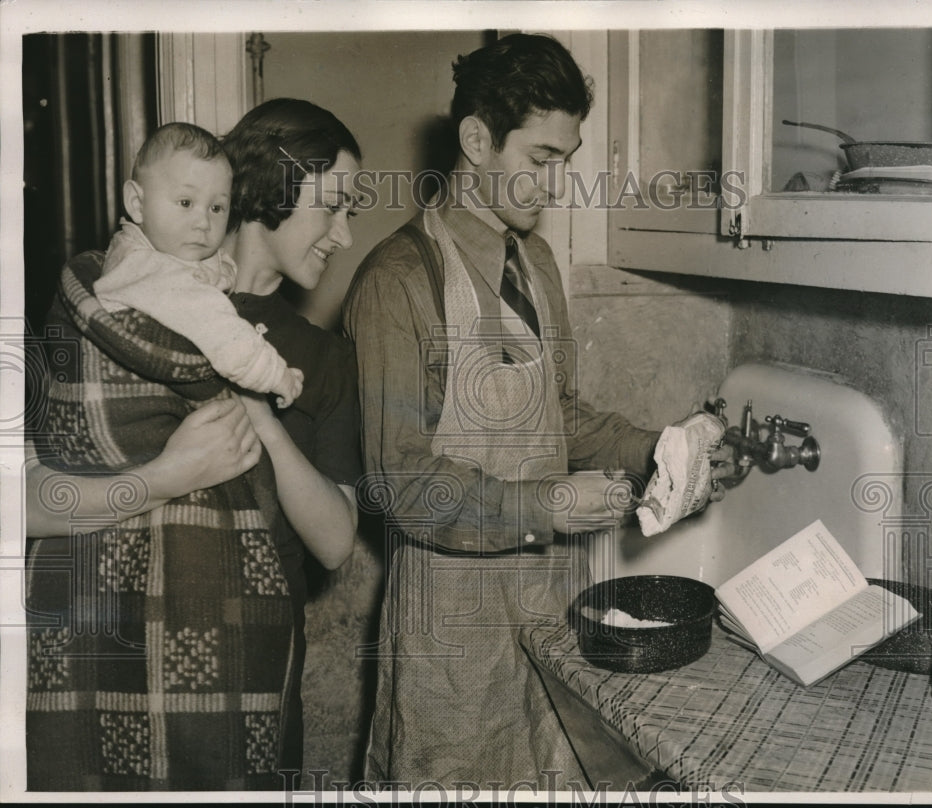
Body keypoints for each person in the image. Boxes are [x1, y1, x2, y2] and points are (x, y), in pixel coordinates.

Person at [343, 33, 733, 790]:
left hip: (553, 605)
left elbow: (560, 416)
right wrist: (551, 503)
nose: (555, 184)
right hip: (450, 631)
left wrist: (664, 451)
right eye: (540, 159)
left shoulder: (536, 262)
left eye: (566, 159)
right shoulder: (397, 282)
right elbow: (401, 483)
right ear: (477, 140)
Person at [25, 98, 364, 790]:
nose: (346, 234)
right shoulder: (120, 304)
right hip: (110, 654)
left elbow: (334, 543)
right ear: (270, 189)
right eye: (333, 206)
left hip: (249, 676)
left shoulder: (322, 359)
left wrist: (256, 414)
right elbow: (21, 504)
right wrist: (169, 474)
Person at [95, 121, 303, 409]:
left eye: (216, 208)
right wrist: (275, 374)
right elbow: (216, 326)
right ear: (136, 203)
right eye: (185, 202)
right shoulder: (145, 266)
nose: (204, 222)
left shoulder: (153, 251)